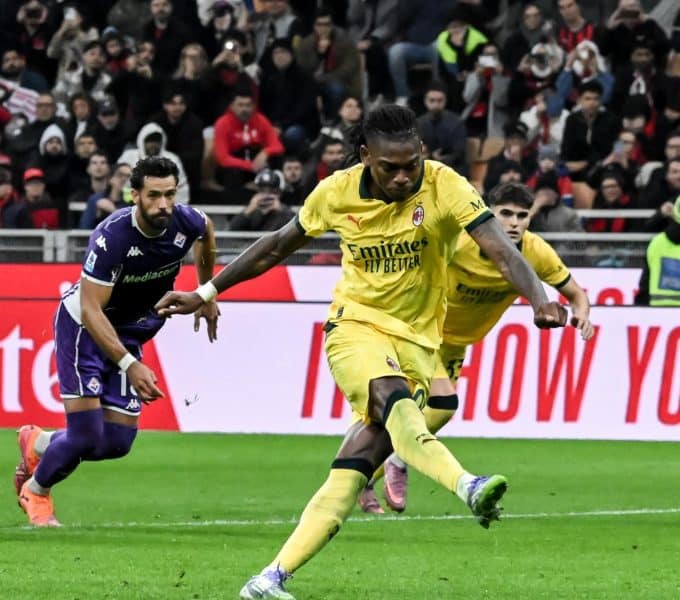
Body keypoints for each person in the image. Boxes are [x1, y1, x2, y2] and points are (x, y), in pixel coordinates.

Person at [154, 105, 570, 600]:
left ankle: (269, 579)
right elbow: (277, 244)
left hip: (418, 343)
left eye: (411, 165)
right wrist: (206, 290)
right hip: (355, 327)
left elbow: (500, 248)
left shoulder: (445, 184)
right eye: (390, 167)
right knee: (397, 405)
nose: (403, 177)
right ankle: (468, 486)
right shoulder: (336, 191)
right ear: (365, 156)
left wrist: (538, 299)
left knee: (355, 466)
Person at [358, 182, 594, 513]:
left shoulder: (535, 252)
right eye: (505, 214)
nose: (514, 222)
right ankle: (395, 461)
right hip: (421, 332)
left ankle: (367, 473)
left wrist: (582, 315)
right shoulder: (460, 240)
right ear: (489, 214)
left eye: (522, 216)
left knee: (419, 416)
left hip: (456, 345)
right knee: (442, 404)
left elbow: (576, 294)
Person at [13, 156, 219, 527]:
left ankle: (38, 443)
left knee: (117, 442)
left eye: (169, 194)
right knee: (86, 434)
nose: (163, 204)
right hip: (84, 327)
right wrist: (130, 363)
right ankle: (37, 490)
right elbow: (91, 310)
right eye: (153, 195)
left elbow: (206, 230)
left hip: (128, 330)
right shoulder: (112, 238)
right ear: (134, 195)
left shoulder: (185, 221)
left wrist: (206, 292)